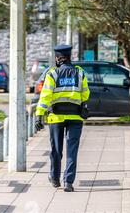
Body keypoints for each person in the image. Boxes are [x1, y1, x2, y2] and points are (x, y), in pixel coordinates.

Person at [35, 45, 90, 192]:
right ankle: (69, 182)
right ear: (70, 57)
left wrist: (39, 114)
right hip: (75, 117)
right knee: (72, 150)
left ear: (58, 58)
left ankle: (54, 178)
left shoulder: (52, 74)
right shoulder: (80, 73)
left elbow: (45, 96)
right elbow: (85, 95)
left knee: (56, 150)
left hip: (56, 117)